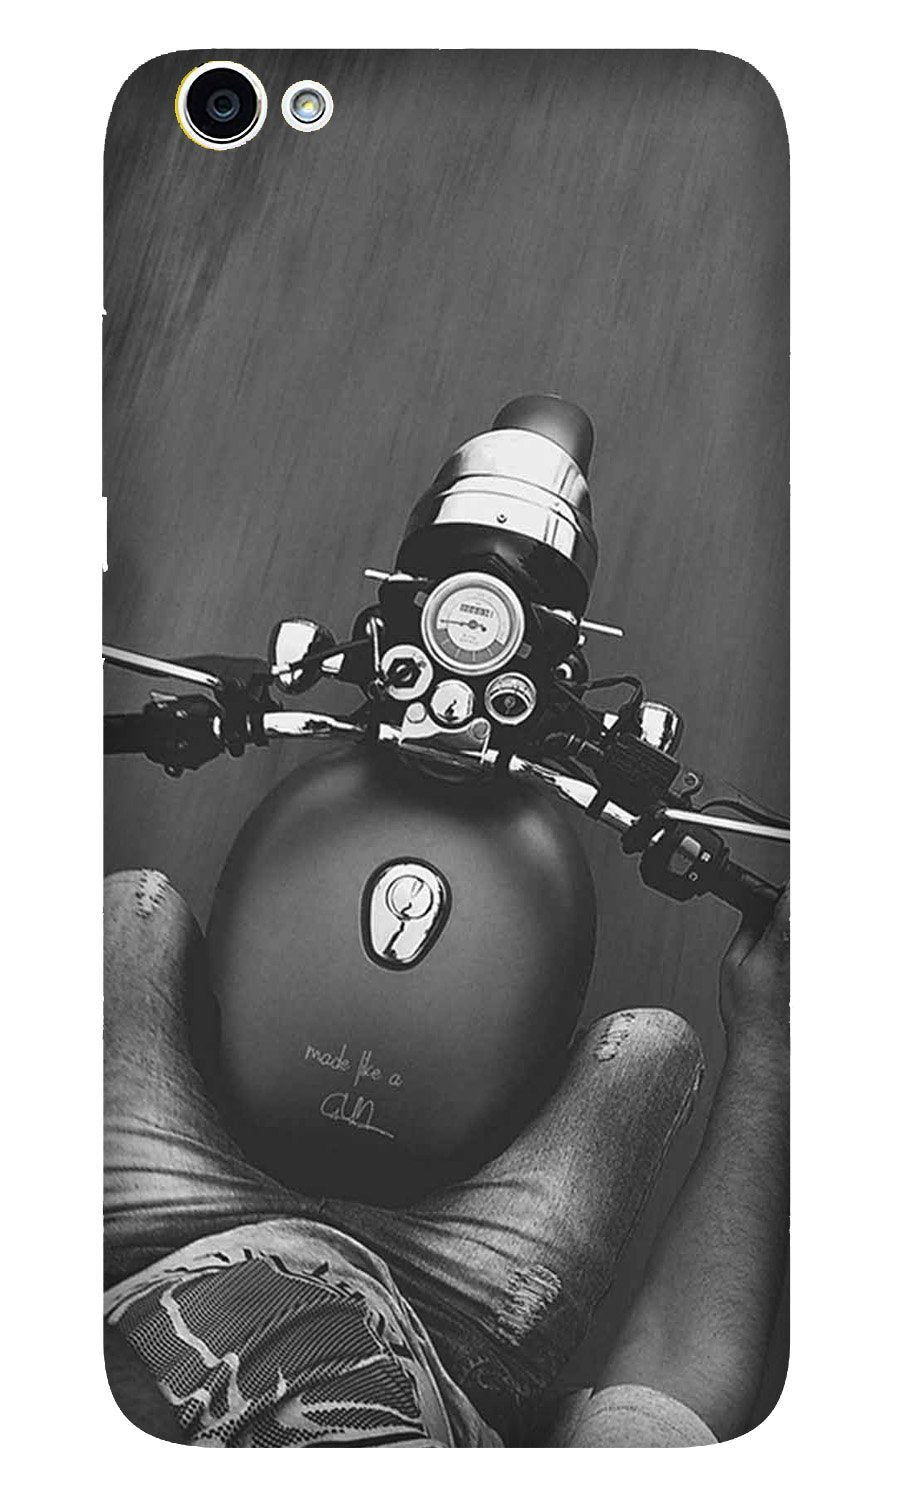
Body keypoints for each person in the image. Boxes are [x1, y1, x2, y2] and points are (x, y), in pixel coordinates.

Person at [103, 869, 789, 1448]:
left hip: (155, 1254)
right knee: (651, 1047)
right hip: (448, 1332)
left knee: (133, 906)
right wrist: (771, 1040)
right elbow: (678, 1368)